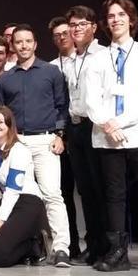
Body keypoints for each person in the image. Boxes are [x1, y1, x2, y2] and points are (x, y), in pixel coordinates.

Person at [82, 0, 138, 274]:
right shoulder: (97, 58)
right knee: (114, 195)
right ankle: (118, 253)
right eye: (111, 16)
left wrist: (119, 122)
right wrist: (107, 123)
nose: (116, 19)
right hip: (107, 137)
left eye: (121, 15)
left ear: (131, 20)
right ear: (106, 23)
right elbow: (89, 98)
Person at [0, 24, 71, 267]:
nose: (24, 46)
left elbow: (62, 106)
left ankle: (61, 249)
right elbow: (0, 114)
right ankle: (30, 246)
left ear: (35, 44)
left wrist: (60, 135)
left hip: (45, 141)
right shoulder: (6, 78)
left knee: (51, 194)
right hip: (16, 144)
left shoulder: (51, 71)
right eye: (19, 42)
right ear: (12, 46)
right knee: (17, 196)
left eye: (28, 41)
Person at [62, 5, 108, 265]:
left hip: (96, 126)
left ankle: (106, 245)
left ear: (93, 27)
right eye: (73, 25)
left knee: (100, 187)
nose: (77, 29)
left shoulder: (103, 55)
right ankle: (93, 244)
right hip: (75, 126)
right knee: (85, 190)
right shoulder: (71, 59)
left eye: (82, 24)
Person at [0, 106, 48, 267]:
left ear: (9, 125)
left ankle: (33, 244)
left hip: (26, 202)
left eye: (0, 122)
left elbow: (13, 191)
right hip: (5, 203)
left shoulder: (19, 151)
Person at [48, 17, 81, 261]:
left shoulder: (88, 58)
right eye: (57, 35)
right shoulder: (50, 67)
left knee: (91, 191)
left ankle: (98, 242)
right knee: (64, 191)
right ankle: (71, 245)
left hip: (83, 129)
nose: (62, 37)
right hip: (61, 133)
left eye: (65, 32)